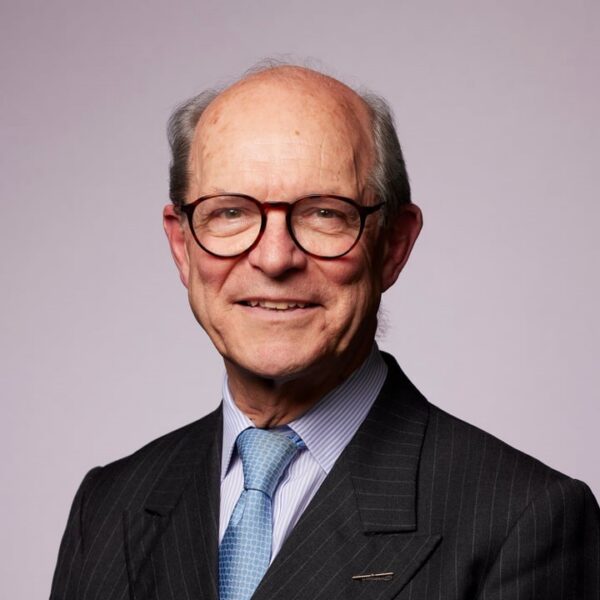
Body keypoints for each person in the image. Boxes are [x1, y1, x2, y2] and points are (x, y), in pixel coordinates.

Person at [50, 64, 600, 600]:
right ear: (182, 246)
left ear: (394, 245)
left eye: (324, 213)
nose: (274, 258)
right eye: (230, 212)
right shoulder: (107, 507)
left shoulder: (523, 520)